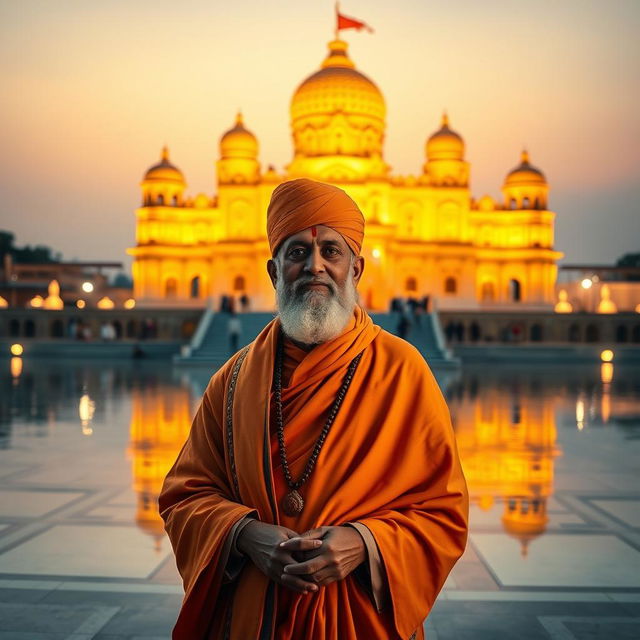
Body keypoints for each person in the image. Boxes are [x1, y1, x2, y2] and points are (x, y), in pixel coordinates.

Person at [159, 178, 469, 640]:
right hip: (252, 616)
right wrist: (243, 534)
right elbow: (184, 496)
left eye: (331, 251)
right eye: (298, 252)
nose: (315, 267)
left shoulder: (402, 372)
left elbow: (442, 510)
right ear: (273, 270)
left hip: (357, 618)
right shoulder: (233, 380)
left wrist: (365, 543)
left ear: (357, 268)